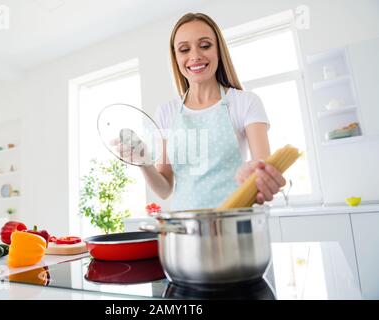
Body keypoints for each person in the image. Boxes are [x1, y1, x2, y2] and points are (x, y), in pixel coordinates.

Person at [117, 12, 286, 211]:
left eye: (205, 46)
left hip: (232, 226)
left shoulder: (245, 102)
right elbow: (164, 189)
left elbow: (262, 167)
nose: (195, 56)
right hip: (184, 230)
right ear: (176, 57)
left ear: (219, 50)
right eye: (184, 49)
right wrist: (143, 162)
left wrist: (257, 176)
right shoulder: (166, 112)